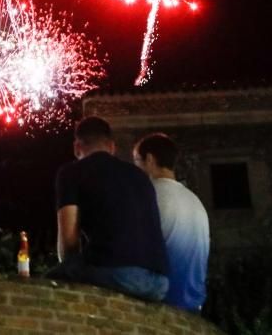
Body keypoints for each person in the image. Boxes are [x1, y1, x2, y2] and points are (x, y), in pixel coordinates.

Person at [49, 117, 168, 301]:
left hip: (121, 275)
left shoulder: (71, 173)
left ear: (76, 147)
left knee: (50, 281)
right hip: (160, 282)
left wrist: (69, 268)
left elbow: (68, 242)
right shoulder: (140, 176)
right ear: (112, 147)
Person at [133, 133, 210, 312]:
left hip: (161, 306)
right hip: (193, 307)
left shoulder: (148, 196)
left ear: (150, 159)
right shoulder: (195, 202)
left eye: (136, 161)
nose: (135, 168)